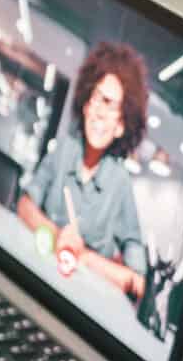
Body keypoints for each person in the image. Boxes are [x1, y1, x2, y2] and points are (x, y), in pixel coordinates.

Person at [13, 39, 151, 301]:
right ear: (86, 106)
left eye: (113, 108)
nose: (101, 113)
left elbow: (136, 281)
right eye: (98, 99)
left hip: (82, 302)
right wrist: (58, 237)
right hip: (35, 281)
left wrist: (83, 256)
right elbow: (25, 205)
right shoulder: (65, 149)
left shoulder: (119, 183)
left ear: (121, 126)